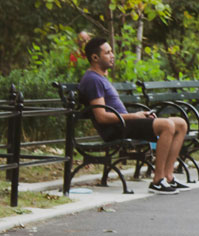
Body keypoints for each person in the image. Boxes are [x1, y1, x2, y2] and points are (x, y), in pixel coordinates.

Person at [78, 37, 190, 194]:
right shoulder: (92, 80)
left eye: (111, 52)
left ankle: (168, 176)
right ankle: (157, 181)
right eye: (108, 52)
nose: (112, 55)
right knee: (167, 125)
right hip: (115, 129)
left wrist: (138, 115)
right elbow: (101, 117)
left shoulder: (100, 77)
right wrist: (135, 116)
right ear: (95, 57)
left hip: (124, 124)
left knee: (180, 123)